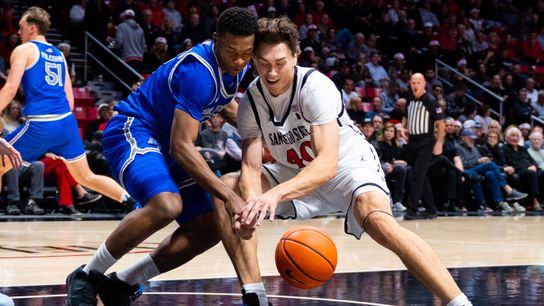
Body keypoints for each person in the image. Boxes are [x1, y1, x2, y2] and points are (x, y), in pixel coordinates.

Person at [231, 17, 471, 306]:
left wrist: (273, 195)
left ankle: (458, 302)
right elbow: (250, 166)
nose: (271, 72)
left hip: (347, 166)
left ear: (295, 56)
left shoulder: (314, 87)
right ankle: (254, 295)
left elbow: (327, 164)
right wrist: (249, 202)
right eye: (262, 63)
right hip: (294, 170)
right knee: (229, 190)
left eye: (280, 63)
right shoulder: (250, 102)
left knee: (379, 222)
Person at [65, 7, 264, 306]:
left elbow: (221, 103)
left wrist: (268, 133)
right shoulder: (198, 73)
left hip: (167, 142)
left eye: (246, 53)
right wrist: (228, 194)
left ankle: (123, 282)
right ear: (215, 40)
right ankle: (87, 274)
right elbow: (182, 147)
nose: (239, 60)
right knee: (167, 205)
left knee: (212, 223)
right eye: (232, 51)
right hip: (133, 130)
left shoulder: (232, 67)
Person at [0, 7, 138, 223]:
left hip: (41, 123)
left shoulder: (24, 50)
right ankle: (134, 203)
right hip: (66, 124)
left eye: (21, 27)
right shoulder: (58, 55)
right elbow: (70, 100)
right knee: (86, 177)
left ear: (32, 28)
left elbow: (9, 89)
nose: (18, 31)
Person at [403, 73, 445, 220]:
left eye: (418, 83)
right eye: (413, 83)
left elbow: (440, 124)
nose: (415, 85)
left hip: (426, 142)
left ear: (424, 83)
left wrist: (439, 143)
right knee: (421, 176)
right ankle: (431, 209)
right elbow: (406, 117)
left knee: (416, 176)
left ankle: (411, 210)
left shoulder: (430, 100)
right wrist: (402, 128)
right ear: (410, 83)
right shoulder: (409, 100)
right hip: (412, 141)